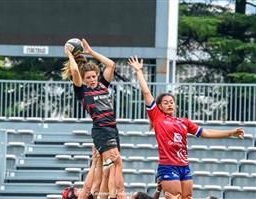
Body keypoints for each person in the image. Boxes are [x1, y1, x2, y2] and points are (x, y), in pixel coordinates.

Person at [127, 56, 245, 199]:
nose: (170, 104)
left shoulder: (183, 121)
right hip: (168, 166)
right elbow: (146, 92)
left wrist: (230, 133)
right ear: (159, 106)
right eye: (166, 103)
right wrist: (139, 71)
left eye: (172, 102)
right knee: (174, 197)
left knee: (187, 198)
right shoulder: (157, 116)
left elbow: (205, 132)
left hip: (184, 166)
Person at [62, 38, 126, 199]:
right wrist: (70, 54)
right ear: (84, 80)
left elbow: (111, 64)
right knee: (113, 165)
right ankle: (116, 196)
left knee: (109, 170)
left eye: (93, 76)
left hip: (113, 129)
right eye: (88, 77)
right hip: (101, 130)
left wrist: (91, 52)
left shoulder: (103, 85)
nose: (92, 79)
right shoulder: (82, 91)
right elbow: (75, 72)